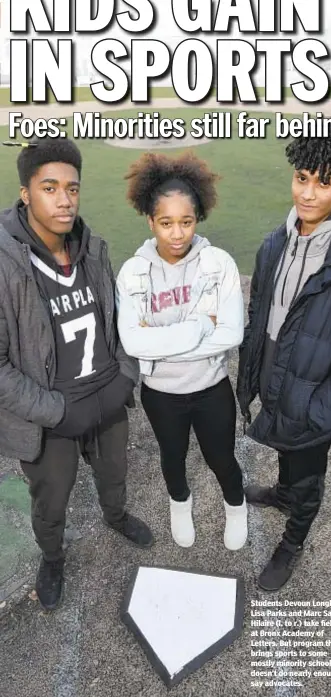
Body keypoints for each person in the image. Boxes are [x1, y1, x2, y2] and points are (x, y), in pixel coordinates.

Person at [0, 137, 153, 611]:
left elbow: (119, 318)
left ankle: (115, 514)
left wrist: (125, 377)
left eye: (72, 188)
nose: (65, 199)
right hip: (53, 414)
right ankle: (52, 557)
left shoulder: (93, 247)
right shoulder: (6, 265)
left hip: (107, 396)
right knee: (51, 502)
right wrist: (56, 411)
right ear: (26, 193)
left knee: (114, 473)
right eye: (50, 188)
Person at [236, 132, 331, 591]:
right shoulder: (275, 243)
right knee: (286, 450)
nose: (308, 193)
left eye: (324, 183)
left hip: (312, 400)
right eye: (301, 178)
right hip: (274, 379)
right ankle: (282, 492)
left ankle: (293, 541)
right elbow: (259, 312)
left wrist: (318, 409)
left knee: (309, 478)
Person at [116, 152, 247, 551]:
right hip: (161, 396)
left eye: (186, 222)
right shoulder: (133, 272)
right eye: (166, 223)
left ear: (197, 219)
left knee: (222, 458)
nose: (177, 233)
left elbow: (232, 334)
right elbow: (134, 344)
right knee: (172, 458)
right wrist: (199, 325)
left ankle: (236, 507)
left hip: (211, 389)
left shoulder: (217, 263)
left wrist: (164, 341)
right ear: (150, 221)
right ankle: (179, 506)